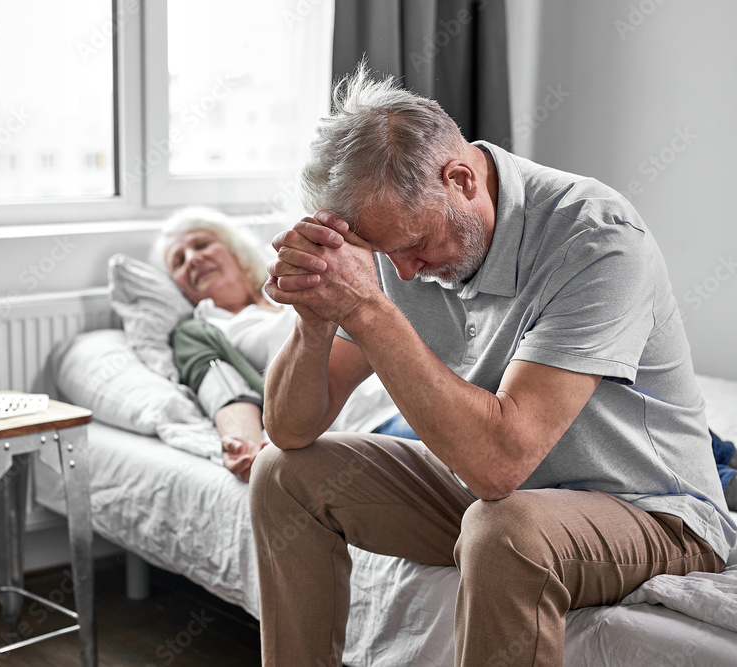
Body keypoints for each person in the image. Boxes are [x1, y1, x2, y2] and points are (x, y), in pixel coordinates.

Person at [252, 64, 736, 666]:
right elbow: (289, 427)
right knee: (282, 474)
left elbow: (498, 465)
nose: (402, 273)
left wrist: (371, 311)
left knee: (505, 530)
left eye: (411, 246)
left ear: (460, 180)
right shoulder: (397, 235)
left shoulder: (595, 239)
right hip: (502, 498)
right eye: (382, 255)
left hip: (653, 514)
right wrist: (316, 314)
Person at [151, 207, 406, 482]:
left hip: (412, 392)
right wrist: (243, 444)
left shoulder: (293, 280)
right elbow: (225, 389)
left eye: (202, 245)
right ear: (181, 288)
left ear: (234, 250)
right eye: (178, 262)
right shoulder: (203, 328)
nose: (192, 259)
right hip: (370, 423)